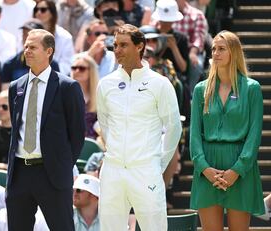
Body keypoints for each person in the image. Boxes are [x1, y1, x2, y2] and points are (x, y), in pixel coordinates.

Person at [96, 24, 181, 230]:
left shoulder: (160, 84)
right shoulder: (105, 84)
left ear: (140, 46)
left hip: (146, 170)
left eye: (124, 45)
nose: (117, 50)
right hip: (113, 170)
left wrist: (157, 164)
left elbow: (173, 127)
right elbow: (104, 124)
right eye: (115, 45)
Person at [6, 29, 85, 231]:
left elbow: (77, 134)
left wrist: (61, 164)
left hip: (52, 174)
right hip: (19, 174)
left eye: (33, 47)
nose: (27, 51)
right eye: (26, 46)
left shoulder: (68, 87)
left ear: (49, 51)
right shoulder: (16, 86)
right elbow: (16, 130)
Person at [189, 30, 265, 230]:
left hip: (240, 168)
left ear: (234, 53)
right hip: (207, 169)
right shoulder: (200, 90)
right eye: (213, 49)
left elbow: (254, 135)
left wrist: (237, 170)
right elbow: (194, 135)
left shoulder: (252, 88)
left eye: (221, 49)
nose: (215, 53)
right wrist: (204, 168)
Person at [1, 19, 59, 90]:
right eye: (24, 34)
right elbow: (5, 93)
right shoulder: (9, 64)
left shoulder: (53, 65)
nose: (27, 37)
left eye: (32, 34)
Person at [33, 0, 74, 75]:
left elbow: (67, 66)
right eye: (36, 10)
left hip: (56, 79)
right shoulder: (29, 34)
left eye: (43, 10)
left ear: (52, 13)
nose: (38, 13)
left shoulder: (65, 37)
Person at [71, 54, 99, 139]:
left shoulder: (99, 94)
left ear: (91, 71)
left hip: (92, 145)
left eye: (82, 68)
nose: (77, 71)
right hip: (70, 143)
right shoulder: (64, 93)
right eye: (74, 68)